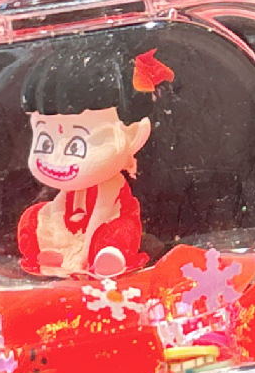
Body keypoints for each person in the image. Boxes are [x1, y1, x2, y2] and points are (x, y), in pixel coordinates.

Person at [17, 43, 173, 275]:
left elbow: (101, 214)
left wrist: (82, 257)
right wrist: (55, 235)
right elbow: (58, 206)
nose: (57, 159)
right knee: (33, 219)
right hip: (73, 226)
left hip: (105, 224)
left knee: (119, 232)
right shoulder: (67, 190)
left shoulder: (111, 185)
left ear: (133, 134)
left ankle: (107, 256)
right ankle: (49, 251)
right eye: (45, 142)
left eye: (76, 145)